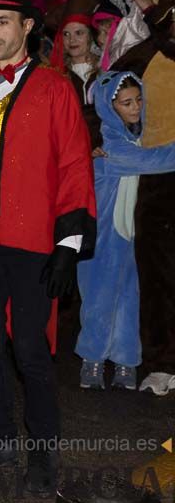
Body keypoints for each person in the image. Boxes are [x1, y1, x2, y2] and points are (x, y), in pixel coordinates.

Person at [0, 0, 95, 496]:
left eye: (2, 23)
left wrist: (68, 243)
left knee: (31, 348)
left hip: (33, 238)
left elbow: (76, 165)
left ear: (28, 26)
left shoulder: (56, 87)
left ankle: (43, 450)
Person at [76, 72, 175, 391]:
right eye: (126, 103)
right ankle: (91, 360)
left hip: (128, 236)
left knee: (129, 298)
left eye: (138, 100)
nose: (135, 108)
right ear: (109, 106)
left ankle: (125, 362)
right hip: (101, 240)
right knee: (98, 298)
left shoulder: (134, 139)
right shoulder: (111, 148)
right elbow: (158, 159)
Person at [110, 0, 175, 395]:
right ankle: (162, 362)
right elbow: (105, 91)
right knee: (157, 276)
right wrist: (100, 137)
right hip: (159, 176)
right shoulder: (148, 54)